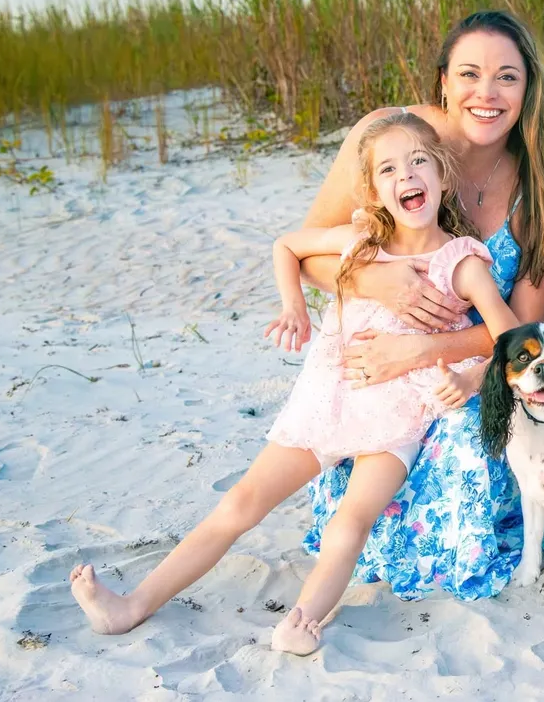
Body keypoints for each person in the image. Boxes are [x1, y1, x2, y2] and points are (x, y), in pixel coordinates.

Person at [68, 113, 520, 654]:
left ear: (443, 176)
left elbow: (510, 336)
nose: (407, 175)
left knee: (350, 523)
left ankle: (301, 621)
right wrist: (294, 308)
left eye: (419, 161)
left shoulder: (459, 261)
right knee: (240, 502)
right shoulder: (360, 242)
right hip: (325, 400)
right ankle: (130, 607)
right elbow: (287, 246)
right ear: (376, 190)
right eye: (390, 168)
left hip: (395, 415)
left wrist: (471, 376)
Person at [299, 10, 544, 600]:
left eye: (507, 77)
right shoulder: (392, 141)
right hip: (380, 363)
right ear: (443, 83)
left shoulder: (542, 186)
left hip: (474, 371)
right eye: (469, 74)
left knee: (464, 437)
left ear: (527, 89)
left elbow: (524, 332)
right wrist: (375, 283)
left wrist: (426, 349)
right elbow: (308, 254)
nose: (486, 93)